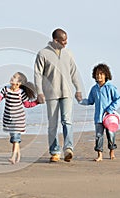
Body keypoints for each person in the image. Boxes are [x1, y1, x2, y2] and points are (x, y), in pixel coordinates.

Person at [34, 28, 83, 162]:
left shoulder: (68, 53)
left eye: (67, 40)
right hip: (51, 94)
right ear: (55, 40)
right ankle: (55, 152)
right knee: (53, 124)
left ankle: (68, 149)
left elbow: (74, 72)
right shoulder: (43, 53)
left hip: (67, 93)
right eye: (63, 41)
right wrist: (39, 92)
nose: (66, 43)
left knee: (67, 121)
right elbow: (37, 74)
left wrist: (78, 89)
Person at [0, 72, 38, 164]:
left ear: (19, 83)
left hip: (18, 119)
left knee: (15, 138)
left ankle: (13, 157)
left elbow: (27, 104)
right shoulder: (5, 90)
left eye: (14, 77)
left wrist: (37, 102)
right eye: (12, 76)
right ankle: (18, 154)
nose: (11, 77)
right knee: (14, 138)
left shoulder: (21, 93)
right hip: (8, 119)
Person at [79, 63, 120, 161]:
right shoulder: (94, 89)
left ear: (106, 75)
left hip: (109, 117)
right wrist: (80, 100)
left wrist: (110, 109)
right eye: (97, 74)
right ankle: (100, 155)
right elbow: (90, 101)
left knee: (111, 134)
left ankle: (112, 151)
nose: (99, 76)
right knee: (99, 136)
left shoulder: (111, 87)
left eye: (101, 74)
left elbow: (118, 99)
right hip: (98, 117)